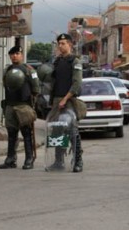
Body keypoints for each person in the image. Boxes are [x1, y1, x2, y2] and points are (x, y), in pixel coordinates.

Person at [0, 45, 40, 170]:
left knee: (26, 133)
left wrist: (32, 103)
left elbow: (36, 88)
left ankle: (29, 159)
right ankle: (10, 159)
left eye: (17, 53)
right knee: (11, 133)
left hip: (23, 105)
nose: (14, 56)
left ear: (21, 55)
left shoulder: (29, 70)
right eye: (12, 54)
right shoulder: (7, 70)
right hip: (10, 104)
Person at [48, 33, 84, 173]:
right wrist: (53, 101)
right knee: (57, 130)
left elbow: (76, 84)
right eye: (59, 43)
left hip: (69, 101)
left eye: (63, 43)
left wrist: (65, 99)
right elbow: (53, 83)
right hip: (57, 100)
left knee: (72, 131)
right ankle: (58, 161)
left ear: (70, 44)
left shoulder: (75, 62)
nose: (60, 46)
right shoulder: (57, 62)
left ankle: (78, 161)